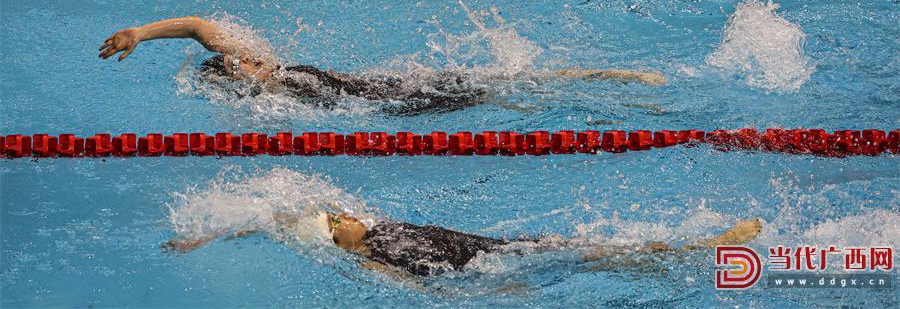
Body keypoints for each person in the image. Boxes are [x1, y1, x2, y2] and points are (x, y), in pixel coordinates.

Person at [99, 16, 666, 114]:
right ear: (239, 80)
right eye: (235, 64)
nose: (242, 59)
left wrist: (141, 34)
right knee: (502, 93)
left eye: (235, 57)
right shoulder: (272, 96)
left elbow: (198, 26)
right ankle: (613, 90)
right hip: (398, 105)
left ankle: (610, 79)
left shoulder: (268, 67)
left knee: (503, 83)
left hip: (389, 86)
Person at [164, 210, 764, 278]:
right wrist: (494, 296)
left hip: (501, 244)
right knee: (596, 255)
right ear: (335, 242)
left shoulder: (370, 232)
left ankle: (678, 255)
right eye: (336, 219)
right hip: (491, 267)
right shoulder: (371, 257)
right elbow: (420, 294)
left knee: (595, 251)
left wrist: (210, 233)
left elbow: (274, 218)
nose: (345, 213)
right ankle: (707, 246)